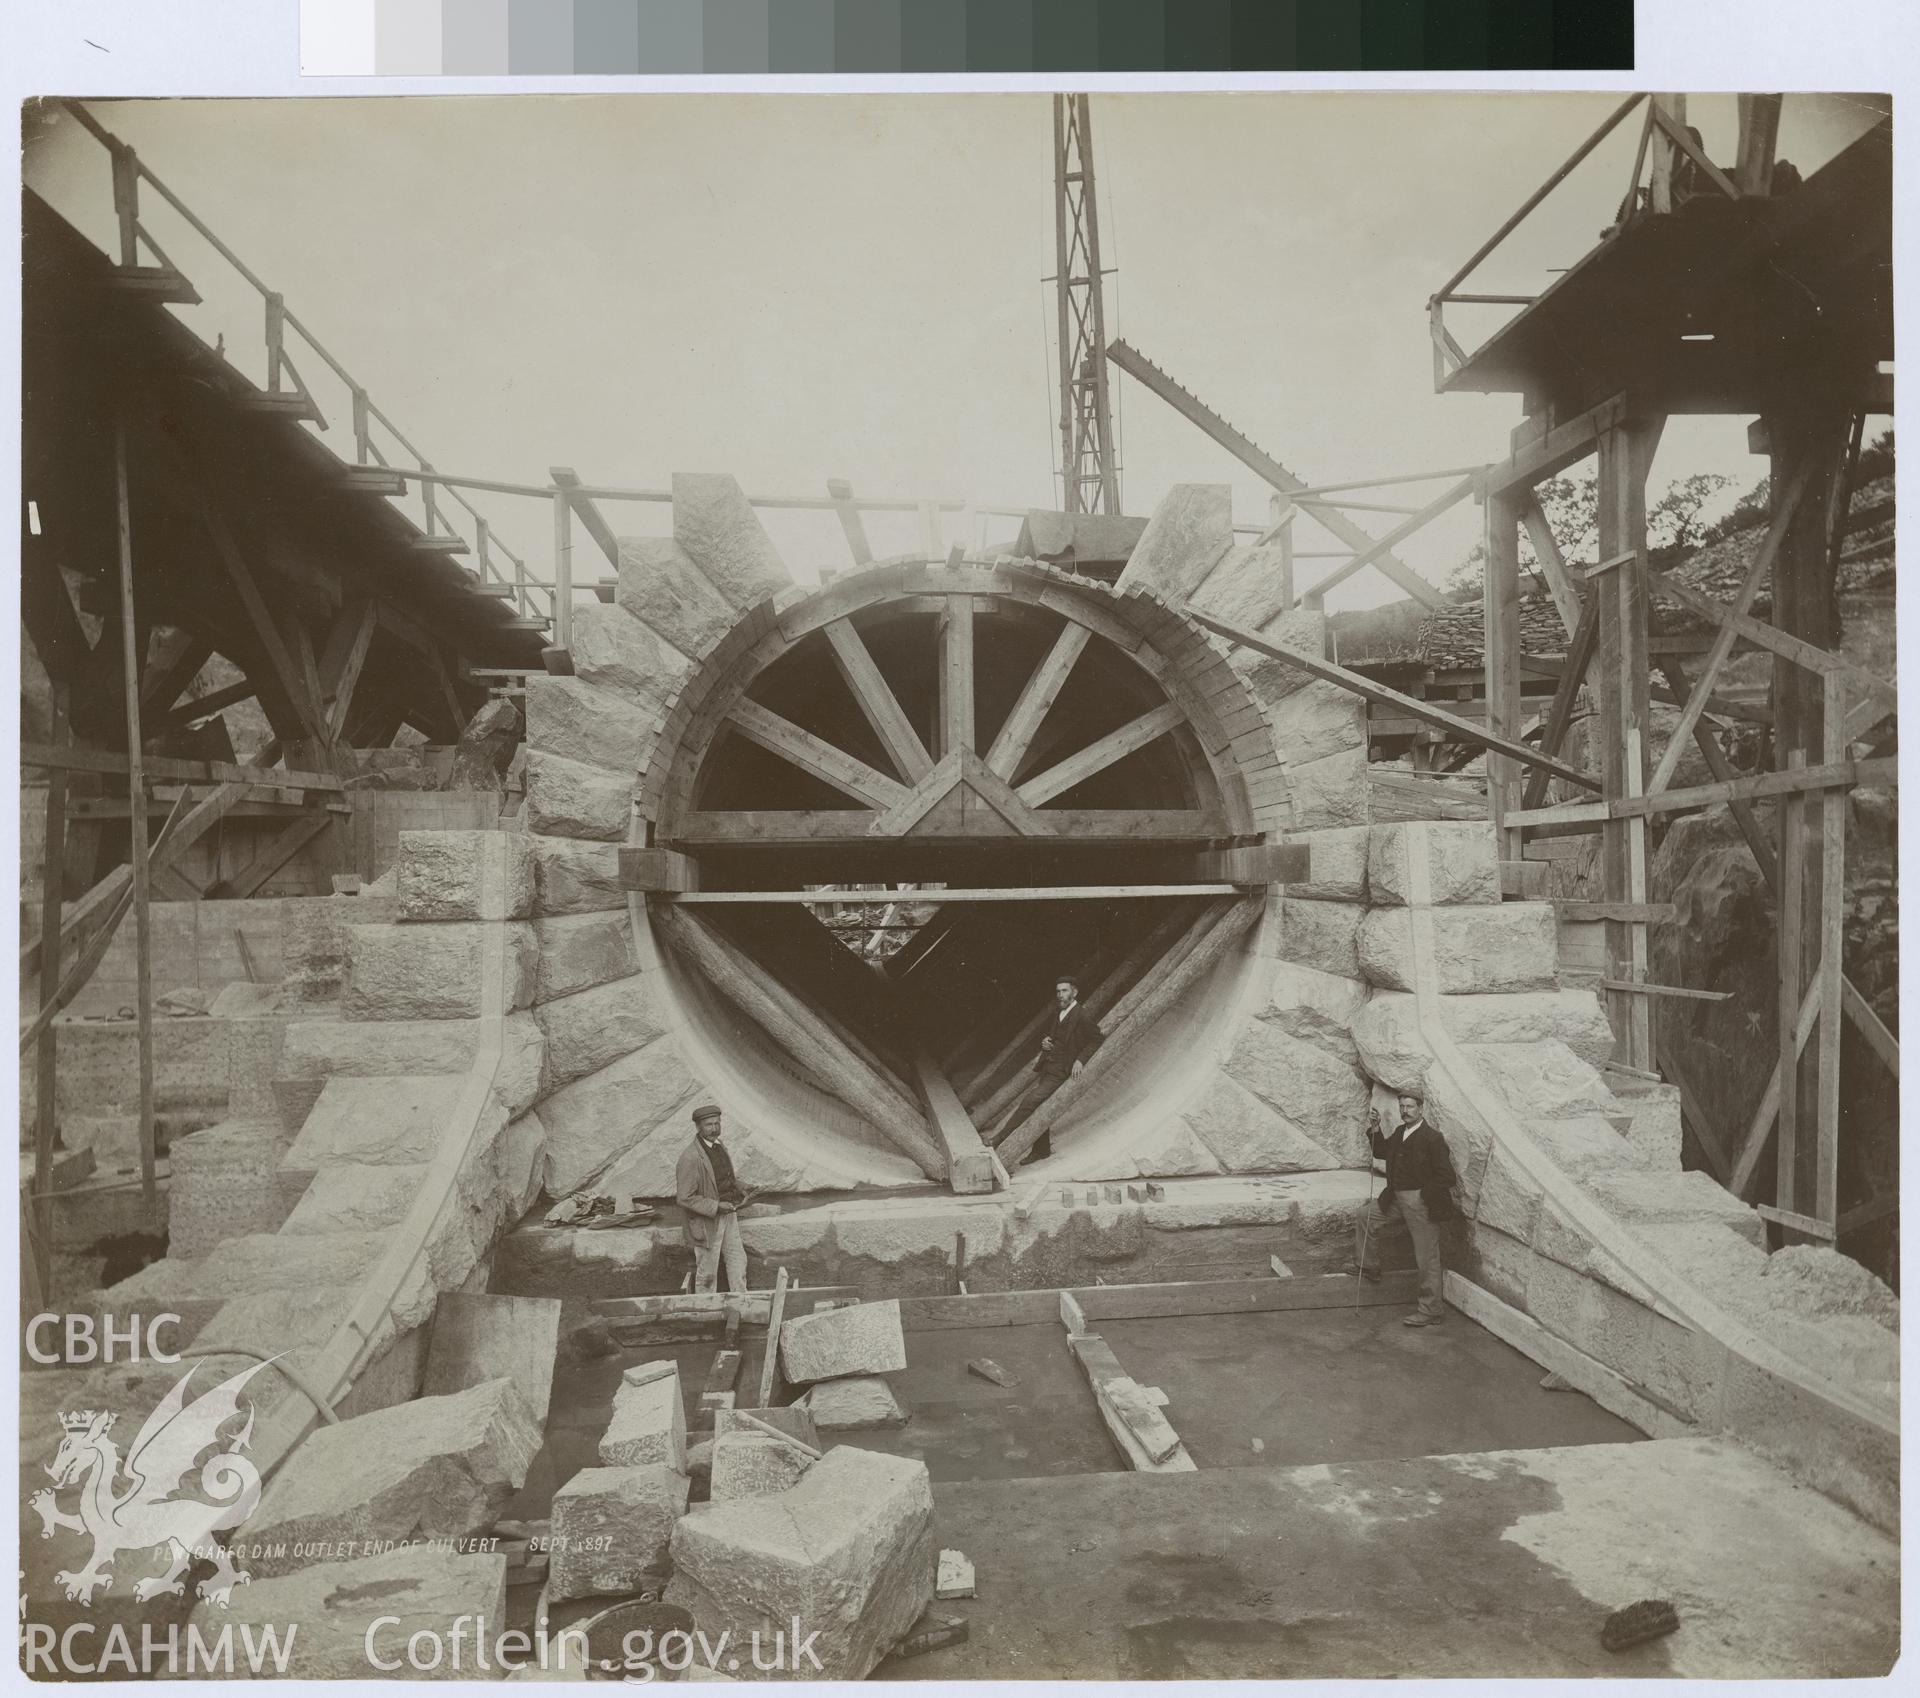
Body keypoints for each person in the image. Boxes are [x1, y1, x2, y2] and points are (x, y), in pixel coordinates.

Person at [1353, 1091, 1458, 1328]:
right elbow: (1381, 1152)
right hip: (1396, 1198)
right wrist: (1376, 1128)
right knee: (1365, 1215)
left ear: (1421, 1109)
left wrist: (1422, 1195)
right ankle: (1368, 1265)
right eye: (1402, 1106)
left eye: (1410, 1107)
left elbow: (1447, 1177)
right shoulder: (1400, 1132)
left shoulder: (1432, 1138)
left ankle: (1431, 1310)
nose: (1405, 1111)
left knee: (1427, 1258)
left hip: (1421, 1203)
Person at [992, 975, 1099, 1165]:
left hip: (1061, 1070)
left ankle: (999, 1139)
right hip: (1049, 1066)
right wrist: (1046, 1042)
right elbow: (1056, 1037)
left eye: (1064, 991)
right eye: (1058, 991)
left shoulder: (1082, 1015)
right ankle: (1041, 1150)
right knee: (1039, 1106)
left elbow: (1096, 1039)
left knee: (1029, 1101)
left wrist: (1080, 1061)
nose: (1060, 995)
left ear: (1074, 992)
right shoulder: (1060, 1013)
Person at [677, 1102, 747, 1295]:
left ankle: (741, 1305)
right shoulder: (690, 1158)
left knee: (738, 1262)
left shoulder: (719, 1146)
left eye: (717, 1123)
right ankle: (705, 1313)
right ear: (698, 1127)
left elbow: (720, 1178)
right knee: (707, 1273)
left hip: (729, 1215)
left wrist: (740, 1187)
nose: (714, 1128)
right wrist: (716, 1207)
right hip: (707, 1223)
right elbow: (684, 1198)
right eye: (709, 1125)